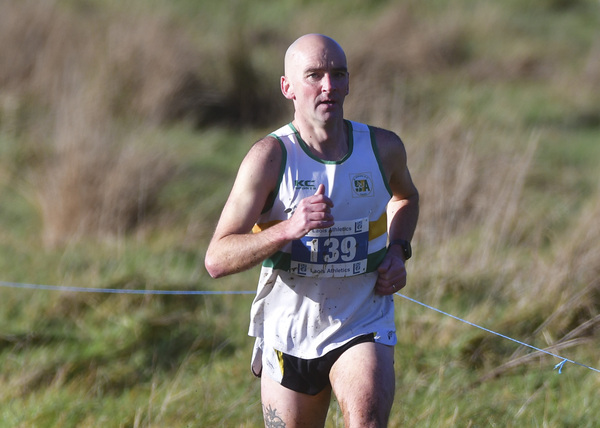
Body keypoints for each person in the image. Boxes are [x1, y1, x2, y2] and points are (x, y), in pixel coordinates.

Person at [205, 33, 419, 428]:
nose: (329, 85)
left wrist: (397, 249)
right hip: (288, 331)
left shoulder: (383, 148)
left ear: (349, 83)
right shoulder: (269, 158)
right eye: (314, 75)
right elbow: (217, 259)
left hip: (361, 321)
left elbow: (405, 198)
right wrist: (289, 228)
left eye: (339, 74)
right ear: (287, 87)